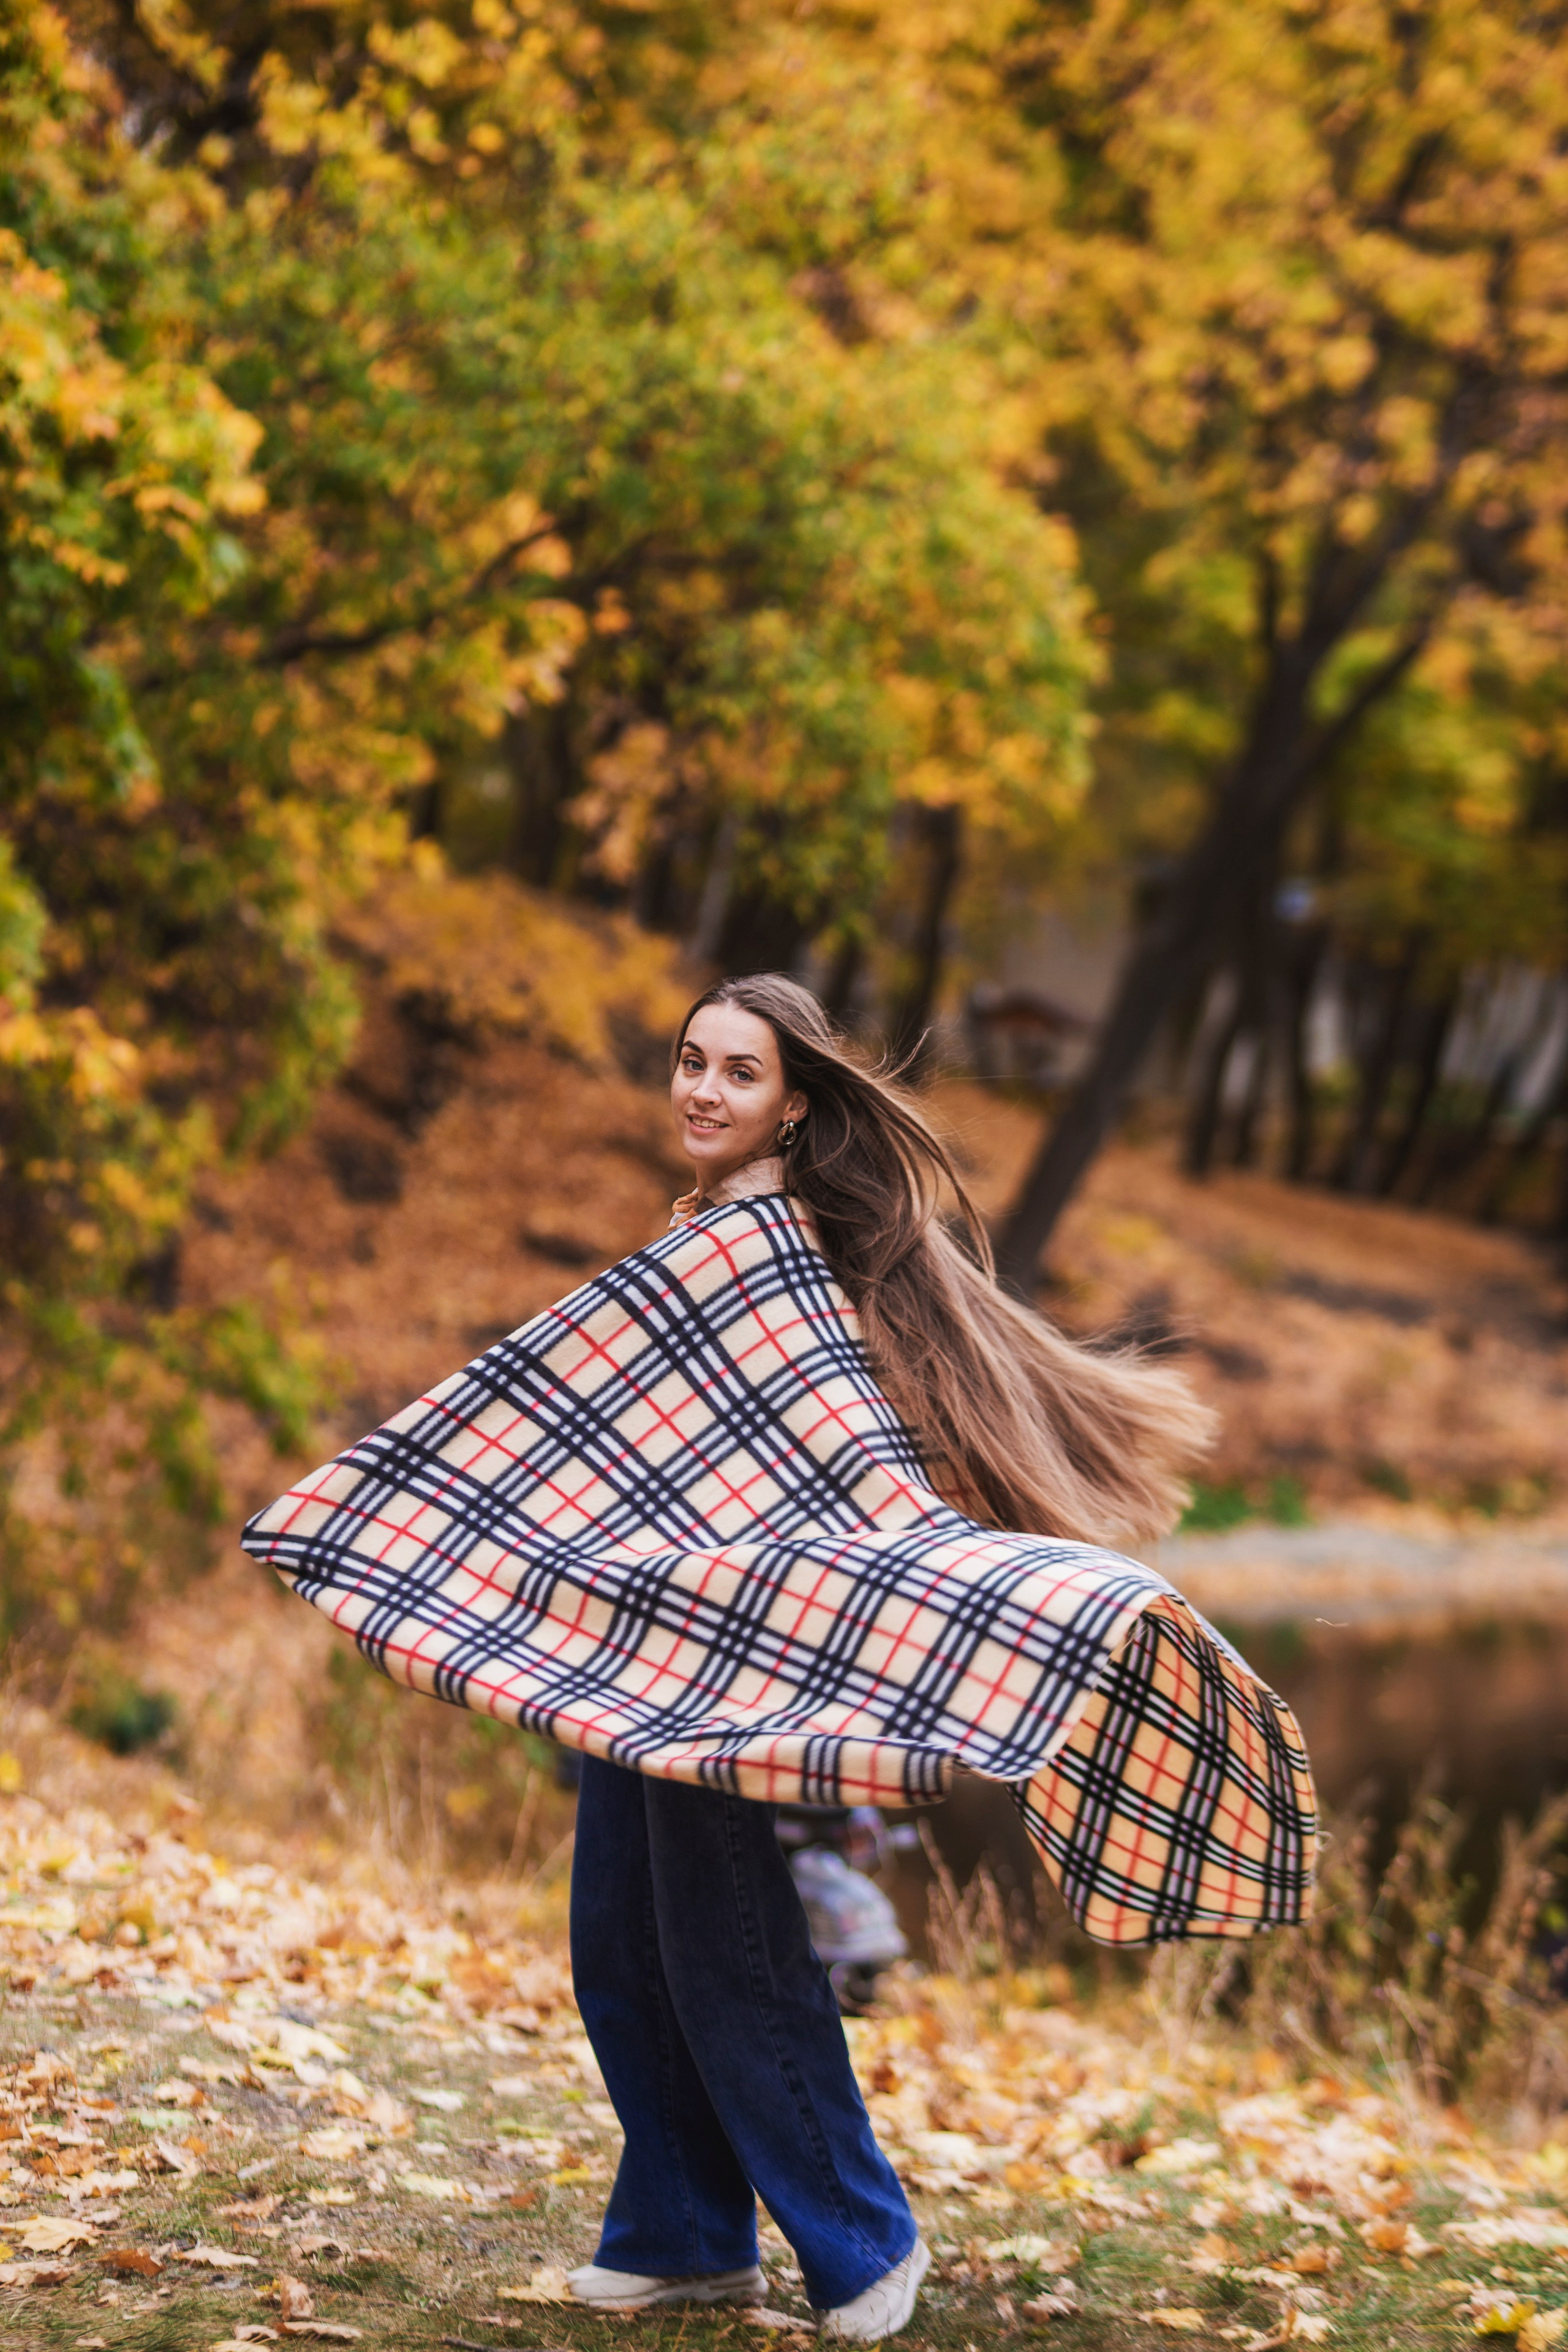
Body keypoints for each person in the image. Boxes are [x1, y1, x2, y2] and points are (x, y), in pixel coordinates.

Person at [243, 974, 1316, 2342]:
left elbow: (826, 1468)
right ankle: (683, 2233)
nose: (699, 1089)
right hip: (651, 1645)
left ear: (792, 1106)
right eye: (689, 1062)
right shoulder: (697, 1238)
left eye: (736, 1073)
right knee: (617, 1944)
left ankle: (859, 2238)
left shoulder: (768, 1254)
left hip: (731, 1657)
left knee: (722, 1947)